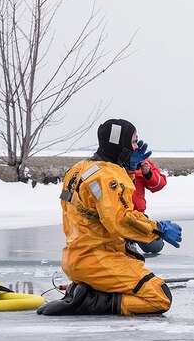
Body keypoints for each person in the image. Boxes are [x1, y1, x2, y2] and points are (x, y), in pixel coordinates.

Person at [38, 119, 183, 316]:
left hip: (78, 257)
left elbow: (109, 201)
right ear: (120, 144)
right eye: (133, 142)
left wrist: (129, 169)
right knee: (159, 296)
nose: (136, 147)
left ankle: (87, 292)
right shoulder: (108, 176)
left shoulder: (80, 168)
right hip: (98, 259)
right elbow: (120, 219)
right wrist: (158, 229)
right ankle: (88, 302)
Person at [125, 139, 168, 258]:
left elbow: (160, 184)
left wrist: (147, 173)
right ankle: (128, 241)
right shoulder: (113, 163)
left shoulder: (142, 160)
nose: (136, 144)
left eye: (136, 141)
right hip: (119, 214)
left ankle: (155, 230)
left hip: (138, 215)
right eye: (133, 141)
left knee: (155, 247)